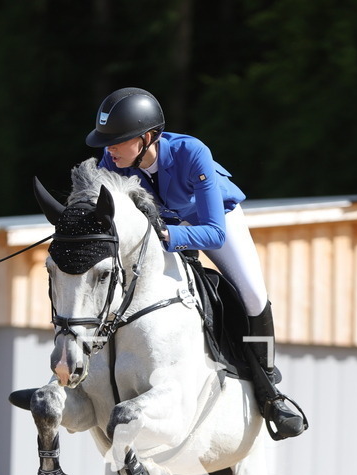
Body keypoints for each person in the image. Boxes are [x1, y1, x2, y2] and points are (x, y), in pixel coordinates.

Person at [86, 86, 308, 440]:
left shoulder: (191, 152)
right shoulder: (111, 163)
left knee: (253, 294)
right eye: (106, 142)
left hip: (212, 221)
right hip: (162, 226)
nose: (109, 149)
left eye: (118, 141)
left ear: (146, 138)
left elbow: (214, 233)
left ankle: (269, 392)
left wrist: (168, 235)